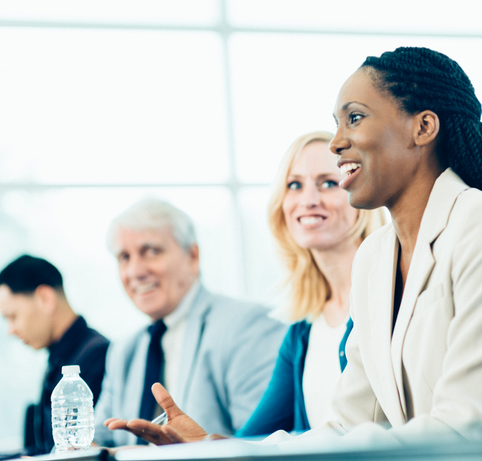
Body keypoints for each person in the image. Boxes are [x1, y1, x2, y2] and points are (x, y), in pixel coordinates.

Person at [105, 47, 482, 444]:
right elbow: (347, 424)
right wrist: (213, 449)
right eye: (336, 123)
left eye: (354, 118)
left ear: (423, 127)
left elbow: (469, 422)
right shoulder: (375, 258)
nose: (336, 142)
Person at [95, 199, 287, 446]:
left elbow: (263, 443)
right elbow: (98, 441)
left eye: (151, 251)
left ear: (192, 256)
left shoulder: (247, 326)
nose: (135, 271)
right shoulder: (123, 351)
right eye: (124, 257)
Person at [237, 131, 386, 436]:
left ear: (361, 196)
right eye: (294, 185)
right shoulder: (302, 330)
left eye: (328, 183)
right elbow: (252, 440)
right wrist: (189, 444)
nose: (308, 200)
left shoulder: (390, 298)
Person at [0, 255, 109, 455]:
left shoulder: (97, 357)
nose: (10, 330)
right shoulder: (62, 359)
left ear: (45, 299)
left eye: (12, 317)